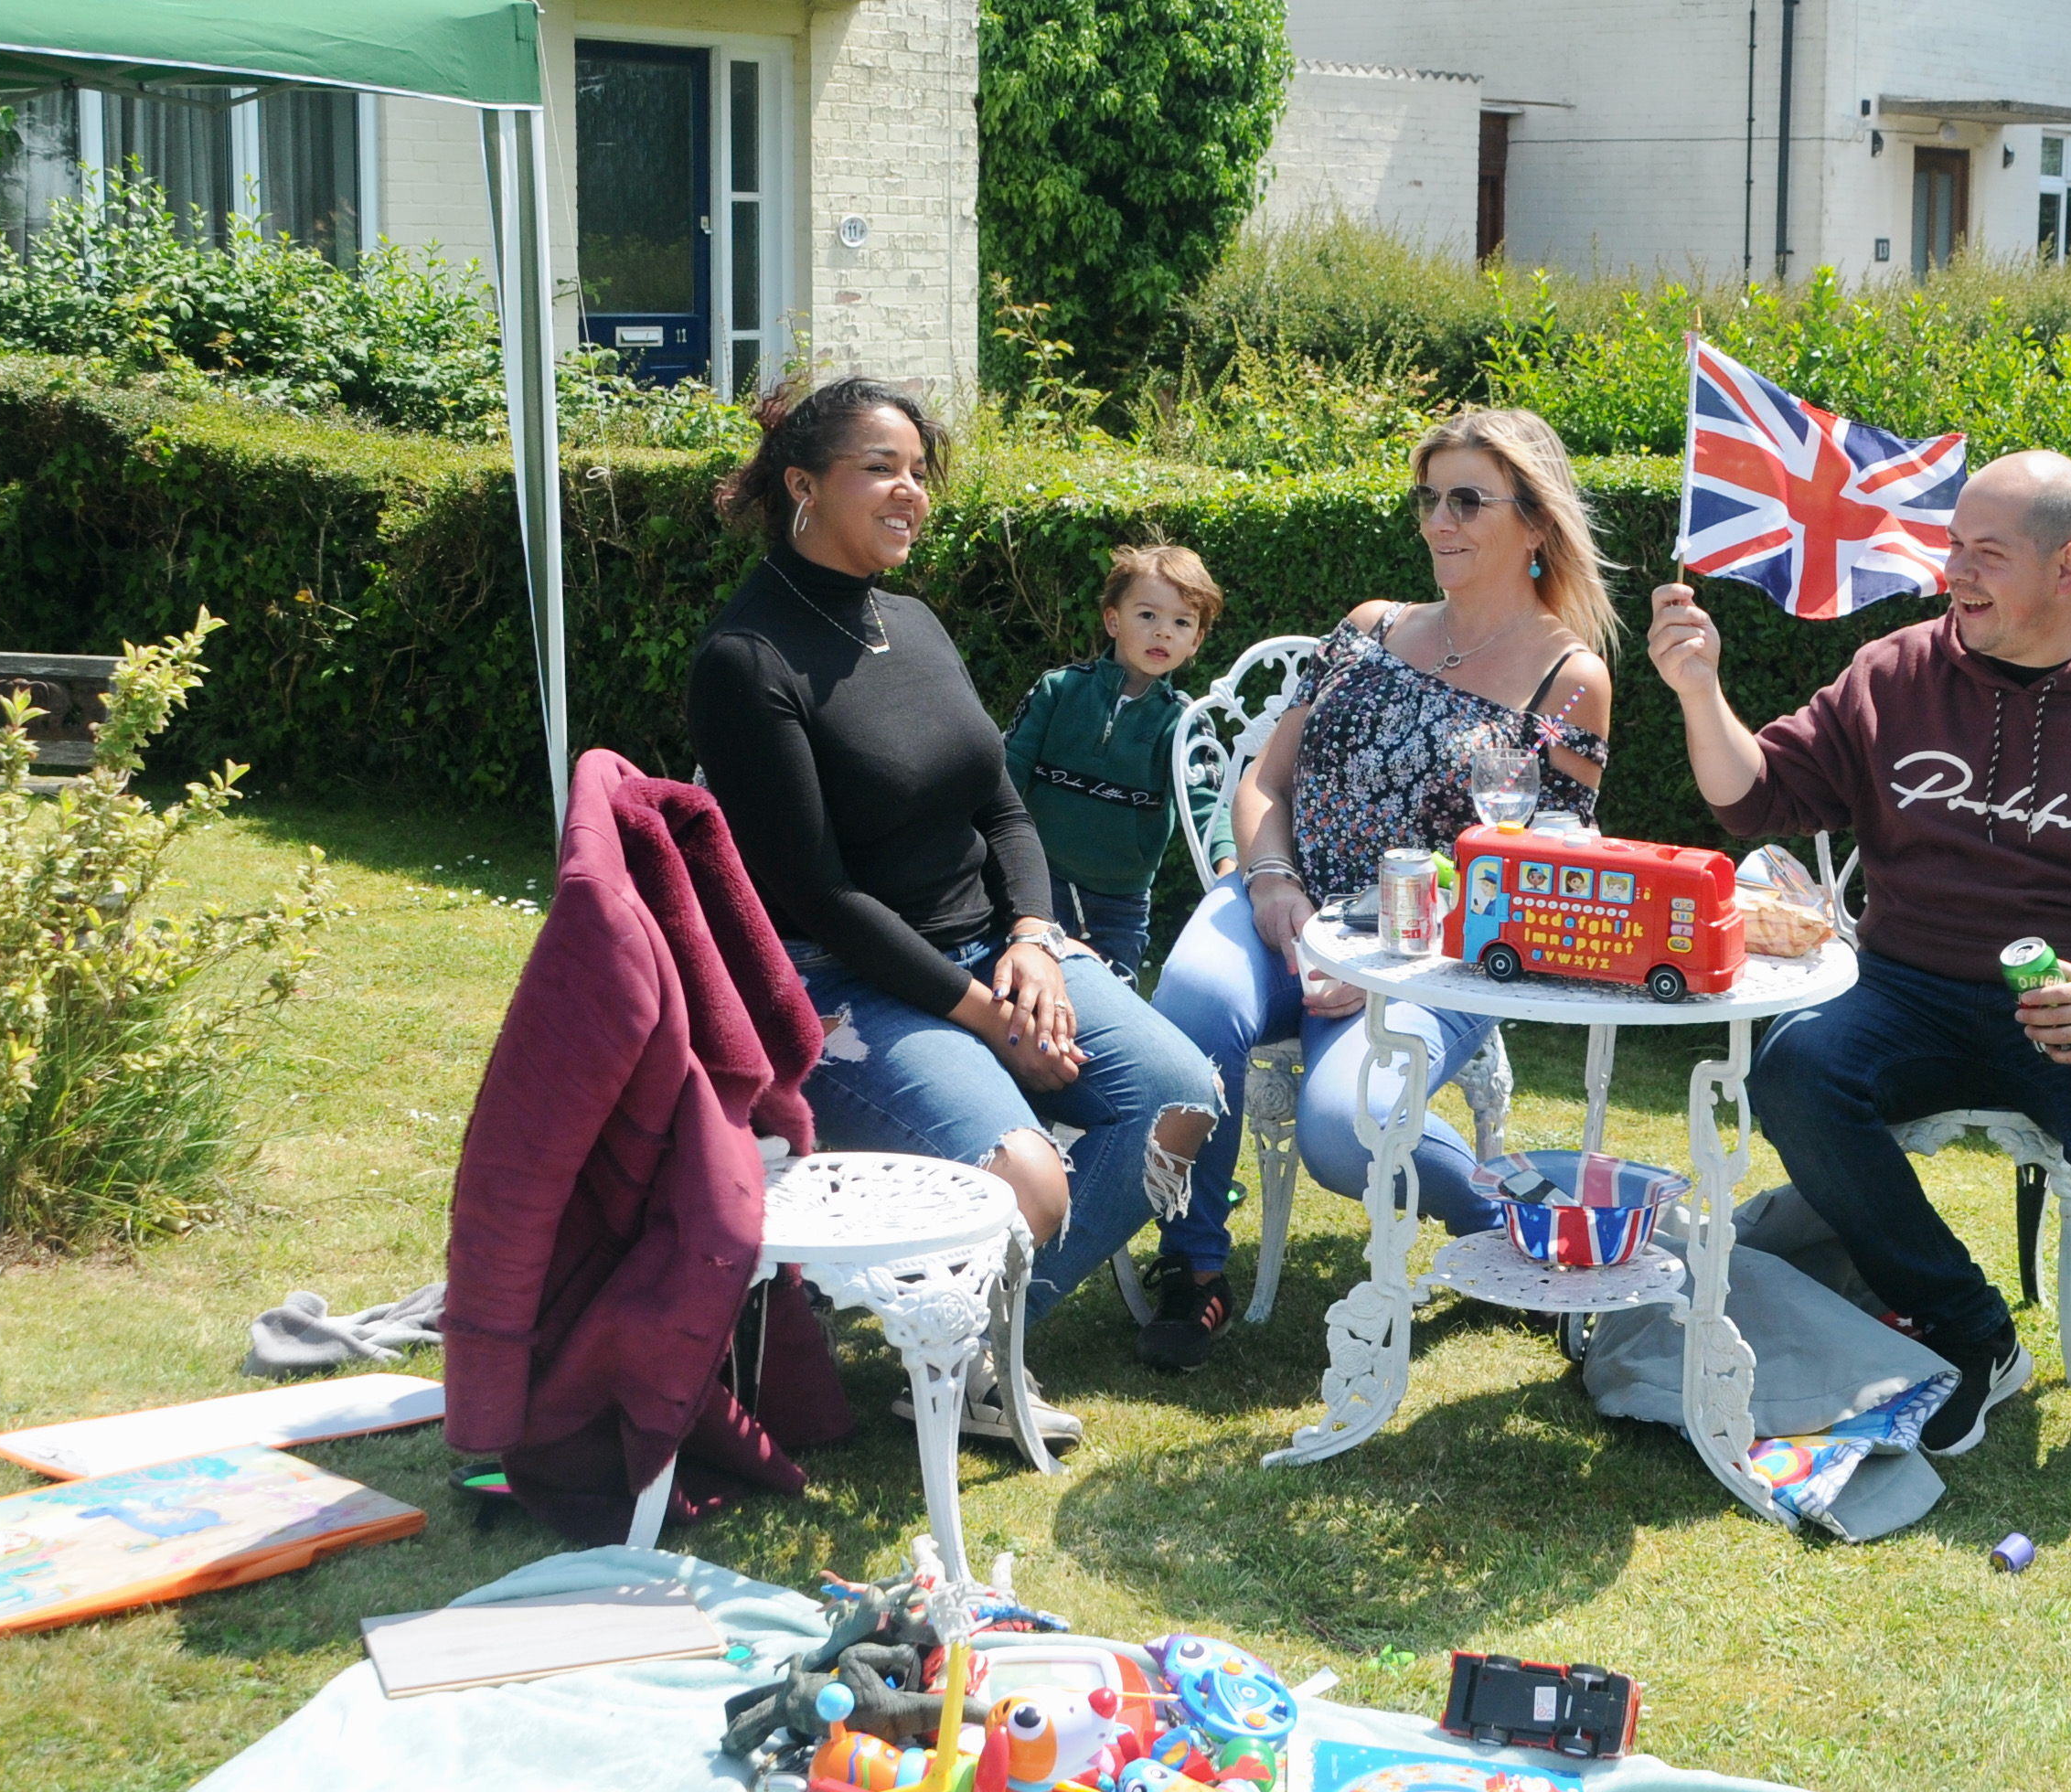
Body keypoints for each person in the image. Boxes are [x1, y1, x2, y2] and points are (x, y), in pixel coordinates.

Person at [1646, 450, 2071, 1473]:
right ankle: (1967, 1326)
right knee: (1794, 1069)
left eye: (1985, 554)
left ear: (2068, 565)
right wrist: (1697, 687)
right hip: (1906, 992)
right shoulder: (1895, 675)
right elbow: (1761, 795)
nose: (1956, 572)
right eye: (1952, 546)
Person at [688, 376, 1225, 1442]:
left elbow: (1001, 804)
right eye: (880, 468)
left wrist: (1030, 936)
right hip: (845, 985)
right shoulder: (746, 660)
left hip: (994, 943)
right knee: (1028, 1178)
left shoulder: (913, 622)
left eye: (918, 472)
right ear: (802, 485)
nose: (910, 492)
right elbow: (821, 898)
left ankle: (975, 1351)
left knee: (1182, 1096)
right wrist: (988, 1019)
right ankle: (957, 1334)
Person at [1142, 408, 1616, 1371]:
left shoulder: (1571, 680)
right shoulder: (1369, 628)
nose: (1440, 521)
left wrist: (1380, 965)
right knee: (1190, 1014)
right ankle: (1194, 1268)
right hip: (1279, 907)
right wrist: (1274, 887)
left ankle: (1516, 1218)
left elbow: (1535, 880)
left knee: (1343, 1132)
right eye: (1430, 498)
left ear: (1533, 523)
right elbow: (1264, 782)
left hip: (1429, 959)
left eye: (1468, 501)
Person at [999, 544, 1232, 979]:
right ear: (1113, 620)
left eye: (1181, 622)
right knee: (1023, 996)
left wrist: (1228, 868)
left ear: (1196, 640)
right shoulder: (1059, 690)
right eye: (1148, 616)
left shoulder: (1184, 722)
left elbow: (1208, 805)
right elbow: (1004, 774)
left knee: (1109, 1003)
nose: (1163, 632)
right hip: (1036, 884)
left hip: (1119, 905)